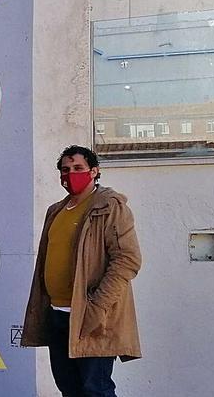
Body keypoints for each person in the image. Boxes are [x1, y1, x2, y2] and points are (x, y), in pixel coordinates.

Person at [22, 145, 142, 397]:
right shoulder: (56, 210)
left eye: (78, 168)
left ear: (94, 171)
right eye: (65, 169)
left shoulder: (109, 206)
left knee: (95, 389)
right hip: (57, 314)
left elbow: (127, 259)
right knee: (69, 388)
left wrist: (97, 307)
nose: (71, 174)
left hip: (90, 317)